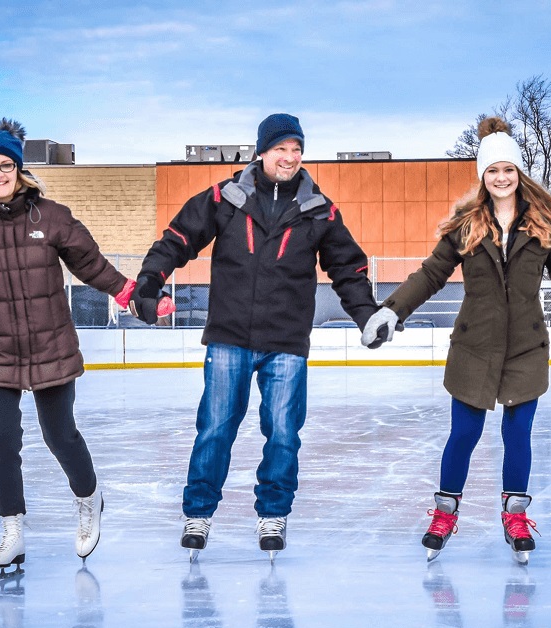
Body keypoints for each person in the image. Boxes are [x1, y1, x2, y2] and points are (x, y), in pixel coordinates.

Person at [131, 113, 382, 560]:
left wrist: (366, 315)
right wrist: (150, 283)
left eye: (296, 149)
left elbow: (348, 267)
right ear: (262, 151)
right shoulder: (225, 199)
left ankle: (273, 513)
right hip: (229, 337)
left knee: (283, 433)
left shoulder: (319, 210)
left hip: (286, 341)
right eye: (281, 148)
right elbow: (176, 240)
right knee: (215, 430)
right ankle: (199, 513)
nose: (289, 157)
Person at [0, 118, 150, 573]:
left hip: (50, 344)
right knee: (1, 440)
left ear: (19, 169)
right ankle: (13, 529)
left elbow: (92, 265)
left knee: (60, 435)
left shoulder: (51, 216)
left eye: (5, 165)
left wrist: (130, 295)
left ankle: (89, 499)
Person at [360, 117, 551, 563]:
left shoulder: (545, 227)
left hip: (527, 348)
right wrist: (391, 310)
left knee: (519, 435)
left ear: (519, 173)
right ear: (482, 176)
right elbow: (431, 274)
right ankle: (445, 512)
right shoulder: (466, 227)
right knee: (464, 433)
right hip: (474, 347)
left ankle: (515, 515)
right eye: (492, 171)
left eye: (508, 170)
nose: (501, 178)